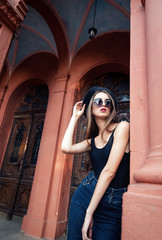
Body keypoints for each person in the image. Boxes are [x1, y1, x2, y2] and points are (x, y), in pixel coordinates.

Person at [61, 86, 130, 240]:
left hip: (113, 200)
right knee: (75, 237)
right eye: (98, 101)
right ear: (90, 109)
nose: (103, 104)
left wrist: (89, 214)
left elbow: (109, 171)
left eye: (108, 102)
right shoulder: (92, 141)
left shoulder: (122, 128)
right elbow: (65, 147)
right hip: (87, 192)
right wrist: (74, 117)